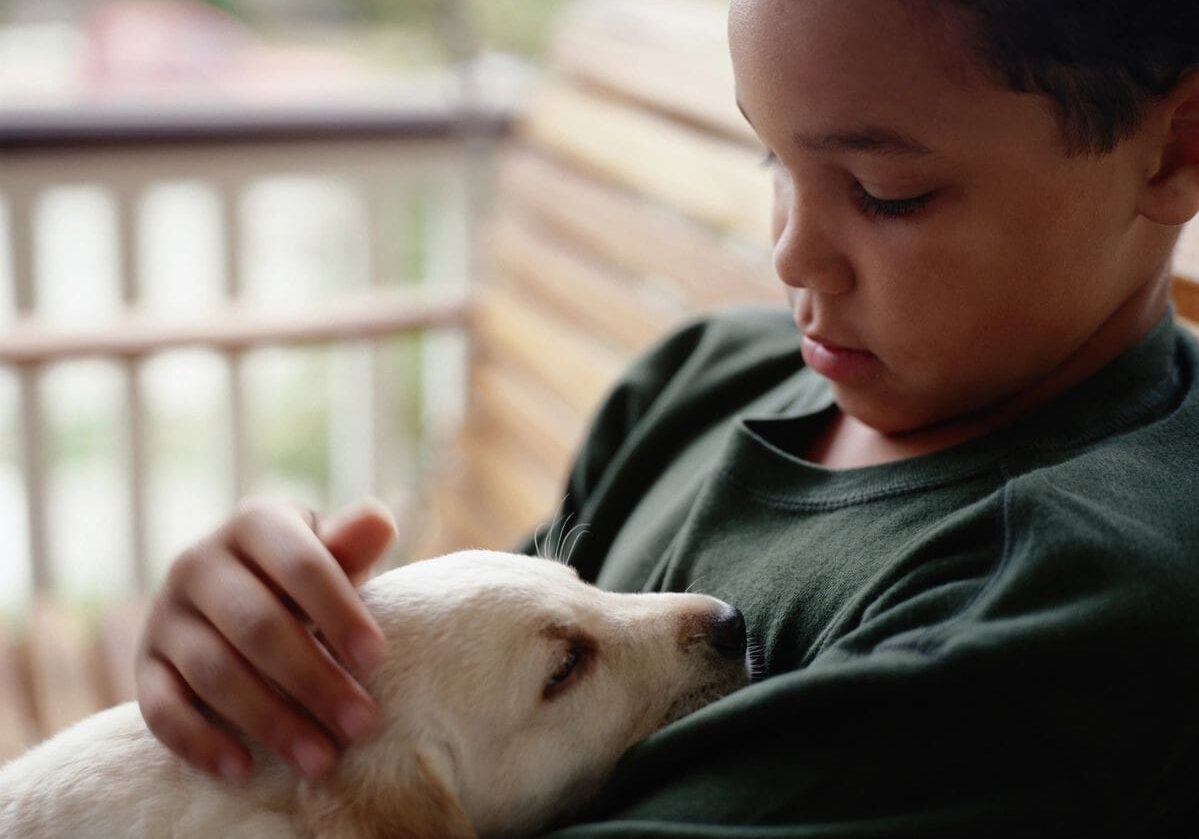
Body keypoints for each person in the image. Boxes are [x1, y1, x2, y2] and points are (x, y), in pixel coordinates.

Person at [135, 0, 1199, 835]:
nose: (788, 251)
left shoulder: (1050, 607)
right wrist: (265, 664)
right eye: (772, 158)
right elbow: (461, 722)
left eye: (883, 191)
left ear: (1171, 149)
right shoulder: (702, 376)